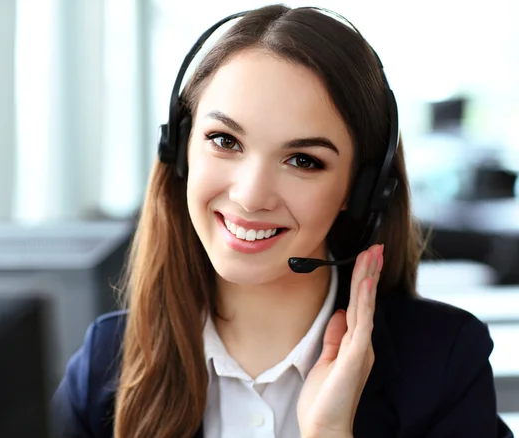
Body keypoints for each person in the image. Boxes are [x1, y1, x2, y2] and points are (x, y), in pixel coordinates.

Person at [51, 5, 514, 438]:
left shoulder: (442, 363)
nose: (250, 195)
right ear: (181, 151)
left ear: (360, 190)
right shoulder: (106, 363)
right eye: (225, 140)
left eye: (302, 160)